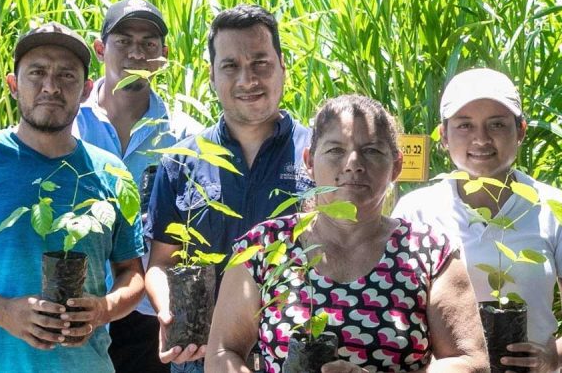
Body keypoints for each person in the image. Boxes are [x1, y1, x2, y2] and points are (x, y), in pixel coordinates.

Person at [0, 22, 145, 372]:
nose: (51, 86)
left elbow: (132, 274)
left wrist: (103, 309)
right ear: (14, 85)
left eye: (66, 76)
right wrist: (2, 312)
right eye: (37, 73)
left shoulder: (110, 172)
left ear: (86, 90)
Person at [207, 94, 489, 372]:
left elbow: (470, 361)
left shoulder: (430, 254)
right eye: (335, 151)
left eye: (371, 151)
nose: (353, 163)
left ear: (397, 167)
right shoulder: (264, 246)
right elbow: (223, 352)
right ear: (309, 161)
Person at [146, 4, 314, 372]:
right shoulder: (181, 161)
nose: (247, 80)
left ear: (282, 67)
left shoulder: (320, 156)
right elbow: (160, 262)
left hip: (293, 358)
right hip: (200, 356)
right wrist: (169, 311)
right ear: (211, 75)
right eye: (230, 66)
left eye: (260, 64)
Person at [393, 68, 562, 372]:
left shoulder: (552, 206)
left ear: (521, 130)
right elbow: (395, 313)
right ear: (443, 136)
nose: (481, 139)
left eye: (497, 124)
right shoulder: (416, 210)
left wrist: (554, 357)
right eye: (465, 125)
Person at [73, 0, 202, 373]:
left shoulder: (183, 135)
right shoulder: (70, 126)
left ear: (163, 55)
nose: (136, 53)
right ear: (100, 49)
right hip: (81, 304)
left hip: (152, 311)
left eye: (149, 44)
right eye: (123, 40)